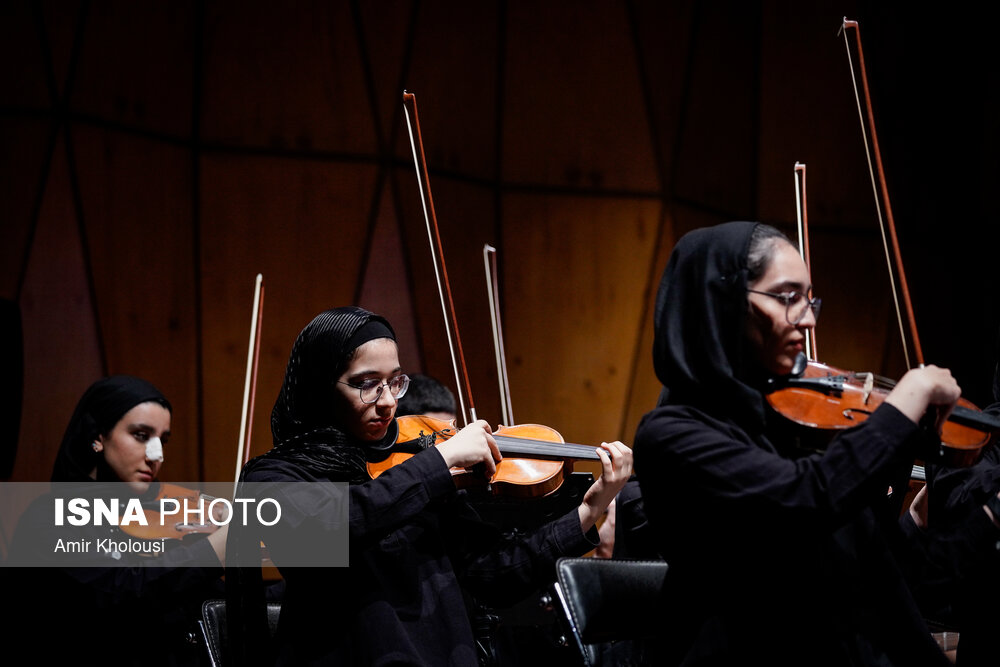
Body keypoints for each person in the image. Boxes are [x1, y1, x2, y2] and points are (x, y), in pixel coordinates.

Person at [226, 306, 632, 666]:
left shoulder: (416, 474)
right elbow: (331, 525)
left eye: (395, 382)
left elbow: (492, 576)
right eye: (367, 383)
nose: (388, 402)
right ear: (321, 386)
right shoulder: (273, 476)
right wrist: (438, 462)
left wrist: (588, 512)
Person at [633, 221, 961, 666]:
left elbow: (878, 572)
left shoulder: (794, 425)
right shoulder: (671, 435)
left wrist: (942, 517)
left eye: (810, 301)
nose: (807, 319)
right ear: (721, 303)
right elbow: (806, 497)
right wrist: (905, 401)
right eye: (788, 298)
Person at [3, 375, 227, 666]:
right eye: (142, 435)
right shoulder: (50, 517)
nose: (156, 455)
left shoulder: (162, 521)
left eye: (163, 440)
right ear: (97, 437)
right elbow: (120, 592)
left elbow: (215, 602)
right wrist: (214, 550)